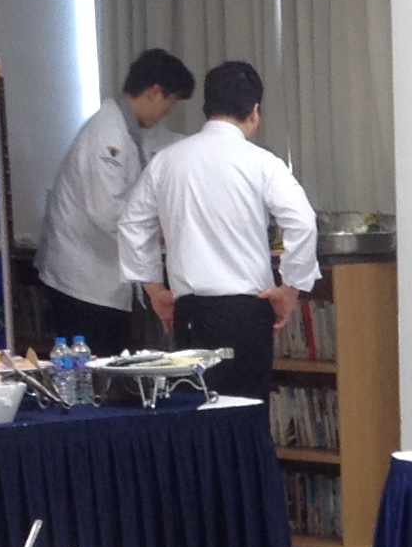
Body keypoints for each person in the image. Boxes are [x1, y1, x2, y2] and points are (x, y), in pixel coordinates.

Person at [116, 58, 316, 403]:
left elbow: (132, 224)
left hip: (190, 311)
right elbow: (303, 222)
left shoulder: (167, 161)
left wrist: (154, 289)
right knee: (246, 414)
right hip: (247, 312)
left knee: (199, 413)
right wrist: (290, 289)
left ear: (206, 108)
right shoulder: (262, 162)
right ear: (255, 111)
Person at [32, 48, 193, 353]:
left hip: (99, 276)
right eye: (169, 103)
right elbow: (108, 212)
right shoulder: (107, 137)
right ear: (154, 92)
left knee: (106, 362)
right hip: (83, 282)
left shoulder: (128, 129)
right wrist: (160, 231)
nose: (167, 112)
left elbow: (169, 145)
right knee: (89, 367)